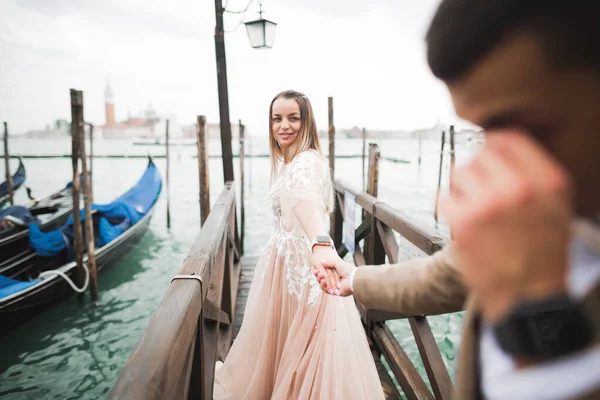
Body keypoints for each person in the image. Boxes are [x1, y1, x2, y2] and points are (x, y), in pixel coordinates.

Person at [316, 1, 600, 399]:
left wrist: (538, 318)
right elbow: (449, 275)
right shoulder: (541, 208)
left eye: (527, 127)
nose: (491, 161)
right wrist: (355, 276)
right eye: (485, 132)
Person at [212, 90, 385, 399]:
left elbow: (305, 201)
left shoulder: (304, 163)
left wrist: (320, 244)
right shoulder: (292, 159)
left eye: (293, 118)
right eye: (277, 119)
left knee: (302, 338)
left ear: (307, 122)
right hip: (286, 261)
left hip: (302, 263)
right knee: (286, 334)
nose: (284, 126)